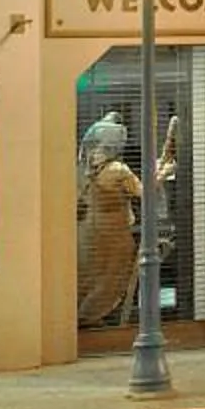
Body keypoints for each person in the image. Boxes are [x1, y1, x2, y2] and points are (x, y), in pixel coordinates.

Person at [75, 114, 142, 326]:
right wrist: (162, 172)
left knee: (89, 277)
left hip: (88, 235)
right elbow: (143, 192)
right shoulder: (117, 170)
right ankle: (90, 317)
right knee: (111, 280)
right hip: (115, 237)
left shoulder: (82, 171)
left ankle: (83, 317)